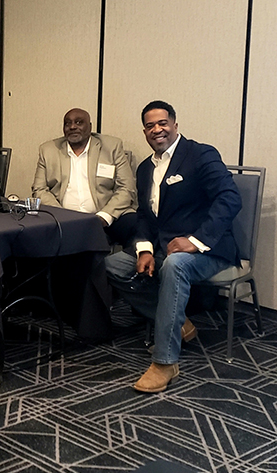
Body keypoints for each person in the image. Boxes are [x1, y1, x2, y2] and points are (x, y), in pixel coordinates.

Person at [105, 101, 241, 393]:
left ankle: (165, 362)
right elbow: (144, 217)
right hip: (165, 247)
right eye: (150, 126)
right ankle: (179, 322)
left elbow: (229, 199)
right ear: (144, 132)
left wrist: (195, 241)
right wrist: (143, 249)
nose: (158, 130)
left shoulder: (200, 154)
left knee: (174, 265)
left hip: (209, 249)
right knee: (113, 265)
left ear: (175, 125)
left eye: (163, 123)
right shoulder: (144, 169)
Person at [32, 108, 137, 247]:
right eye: (67, 123)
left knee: (134, 223)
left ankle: (123, 265)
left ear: (90, 127)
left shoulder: (112, 146)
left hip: (103, 217)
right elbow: (39, 189)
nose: (72, 126)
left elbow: (126, 188)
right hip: (63, 219)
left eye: (79, 122)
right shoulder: (48, 150)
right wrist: (62, 216)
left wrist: (104, 216)